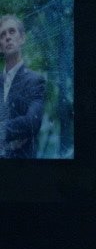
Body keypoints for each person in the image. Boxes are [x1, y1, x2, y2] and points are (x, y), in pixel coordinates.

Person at [0, 11, 50, 158]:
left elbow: (31, 123)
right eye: (2, 35)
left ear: (22, 38)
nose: (7, 37)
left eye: (12, 32)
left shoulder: (35, 81)